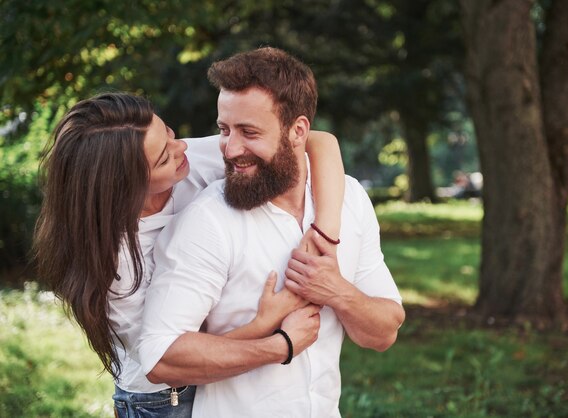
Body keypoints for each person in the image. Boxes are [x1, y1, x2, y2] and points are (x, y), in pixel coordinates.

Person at [33, 92, 344, 417]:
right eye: (163, 159)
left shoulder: (184, 157)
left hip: (228, 377)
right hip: (165, 399)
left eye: (169, 134)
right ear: (125, 186)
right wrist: (270, 330)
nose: (182, 149)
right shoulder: (115, 266)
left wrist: (325, 233)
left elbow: (317, 141)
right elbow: (167, 358)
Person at [138, 47, 405, 417]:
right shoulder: (208, 221)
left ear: (298, 131)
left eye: (249, 132)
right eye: (224, 130)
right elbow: (161, 358)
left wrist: (338, 292)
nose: (230, 149)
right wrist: (279, 345)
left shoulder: (348, 199)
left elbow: (384, 333)